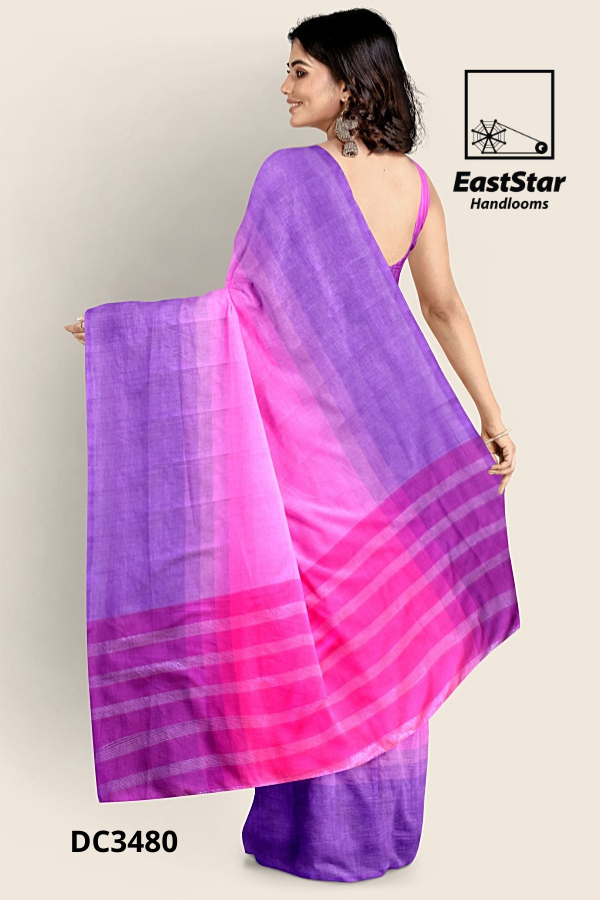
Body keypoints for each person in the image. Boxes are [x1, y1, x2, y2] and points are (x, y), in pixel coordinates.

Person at [64, 8, 517, 884]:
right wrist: (490, 416)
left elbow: (234, 313)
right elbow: (444, 309)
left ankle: (310, 841)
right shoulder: (415, 187)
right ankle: (377, 839)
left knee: (321, 641)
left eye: (301, 70)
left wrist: (127, 334)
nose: (285, 86)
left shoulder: (290, 177)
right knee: (383, 637)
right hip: (391, 454)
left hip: (309, 458)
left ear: (349, 81)